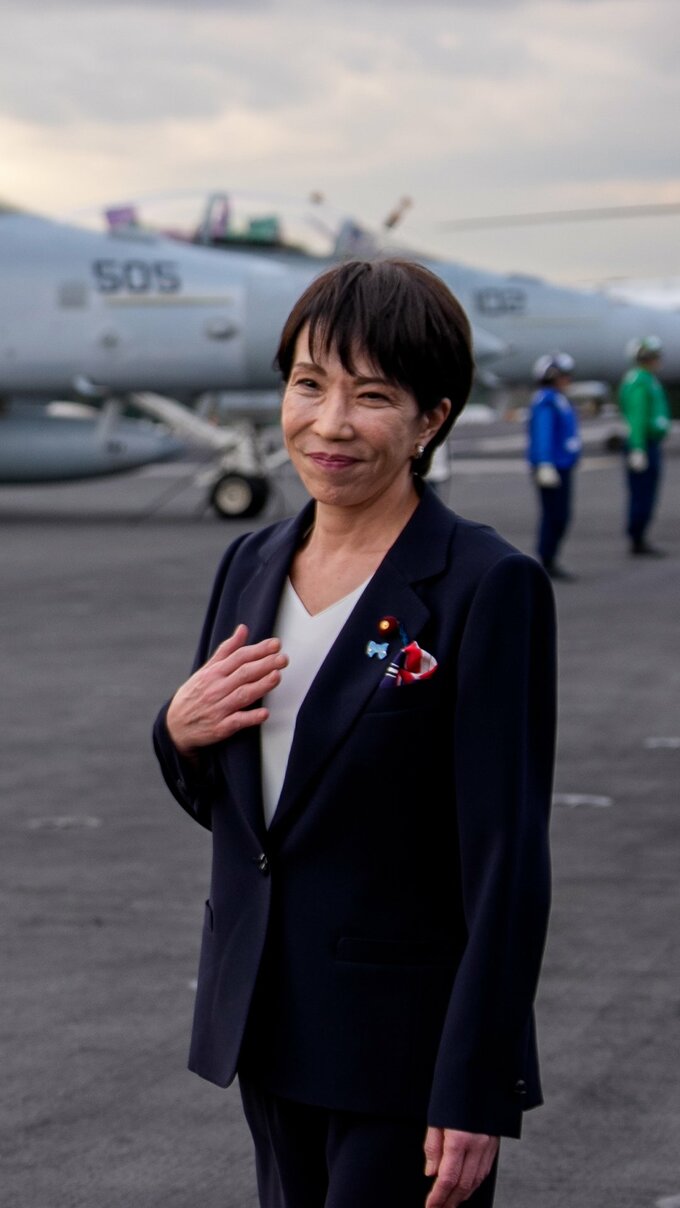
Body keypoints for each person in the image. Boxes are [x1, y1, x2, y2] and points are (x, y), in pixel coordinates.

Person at [152, 259, 557, 1208]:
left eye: (371, 396)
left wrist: (476, 1084)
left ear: (431, 420)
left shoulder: (484, 585)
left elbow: (506, 857)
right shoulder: (250, 562)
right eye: (309, 385)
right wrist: (176, 733)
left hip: (404, 1052)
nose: (329, 423)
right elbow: (250, 813)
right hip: (267, 1023)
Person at [526, 351, 581, 581]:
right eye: (563, 375)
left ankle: (550, 556)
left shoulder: (558, 399)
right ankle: (546, 559)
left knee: (561, 515)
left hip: (562, 466)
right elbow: (543, 434)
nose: (567, 379)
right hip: (551, 467)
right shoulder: (546, 401)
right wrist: (544, 463)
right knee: (554, 515)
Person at [617, 335, 671, 556]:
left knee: (647, 493)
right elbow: (637, 418)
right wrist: (638, 448)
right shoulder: (640, 381)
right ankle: (637, 538)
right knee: (642, 494)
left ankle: (639, 536)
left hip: (649, 442)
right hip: (643, 444)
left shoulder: (646, 379)